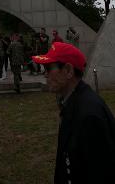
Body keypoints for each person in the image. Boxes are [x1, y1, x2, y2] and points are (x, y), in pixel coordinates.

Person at [32, 42, 115, 183]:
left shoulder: (89, 116)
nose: (45, 74)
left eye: (48, 68)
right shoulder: (72, 101)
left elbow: (100, 173)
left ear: (68, 71)